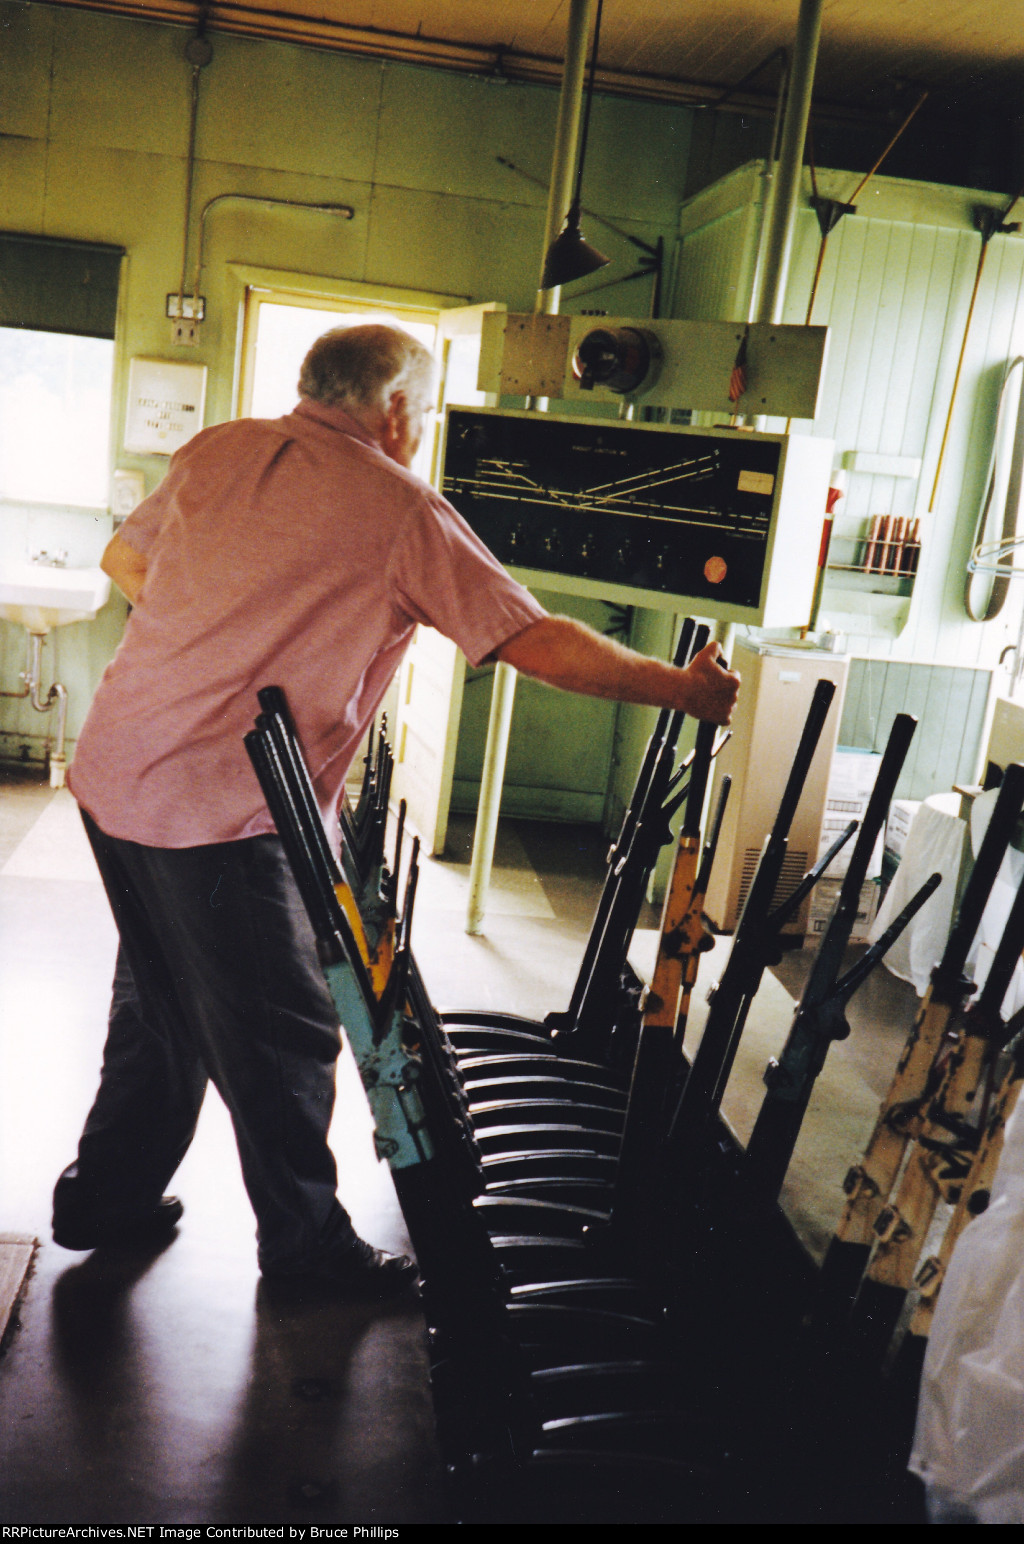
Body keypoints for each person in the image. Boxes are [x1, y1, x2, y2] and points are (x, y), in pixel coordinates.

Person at [54, 323, 739, 1295]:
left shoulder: (219, 449)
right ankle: (307, 1249)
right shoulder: (401, 507)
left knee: (161, 993)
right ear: (399, 410)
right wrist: (681, 688)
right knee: (283, 1021)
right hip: (222, 806)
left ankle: (106, 1194)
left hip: (116, 770)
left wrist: (222, 631)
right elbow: (532, 641)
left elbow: (127, 562)